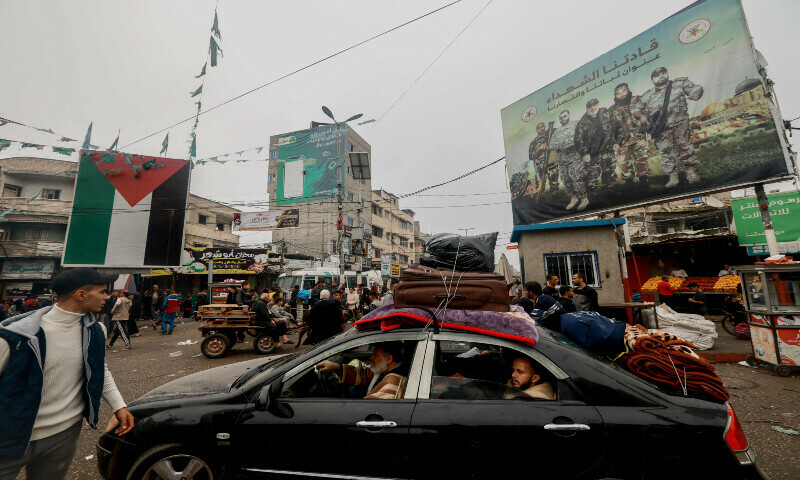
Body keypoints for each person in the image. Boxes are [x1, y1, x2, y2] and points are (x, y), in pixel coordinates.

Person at [0, 268, 133, 479]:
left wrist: (119, 405)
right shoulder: (16, 335)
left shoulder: (95, 330)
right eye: (102, 292)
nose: (108, 297)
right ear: (81, 295)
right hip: (10, 436)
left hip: (64, 434)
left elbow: (99, 369)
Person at [633, 67, 703, 188]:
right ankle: (673, 177)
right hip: (661, 128)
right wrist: (642, 117)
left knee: (685, 147)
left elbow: (696, 89)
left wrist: (696, 94)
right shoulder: (647, 95)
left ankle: (691, 173)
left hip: (680, 124)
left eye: (663, 73)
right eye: (657, 75)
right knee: (665, 151)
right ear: (652, 80)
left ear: (667, 74)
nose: (661, 76)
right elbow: (636, 111)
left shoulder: (680, 83)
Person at [315, 342, 408, 399]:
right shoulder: (384, 371)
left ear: (389, 359)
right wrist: (336, 367)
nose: (371, 357)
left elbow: (367, 408)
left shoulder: (393, 384)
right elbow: (365, 374)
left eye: (375, 355)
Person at [609, 82, 651, 185]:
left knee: (642, 161)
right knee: (624, 165)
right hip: (622, 142)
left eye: (624, 91)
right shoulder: (611, 110)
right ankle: (630, 187)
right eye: (618, 93)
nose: (622, 94)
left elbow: (648, 113)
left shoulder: (638, 100)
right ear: (615, 96)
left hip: (639, 138)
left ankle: (644, 185)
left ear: (628, 90)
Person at [574, 98, 617, 192]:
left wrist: (617, 142)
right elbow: (578, 140)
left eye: (595, 105)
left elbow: (617, 126)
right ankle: (594, 197)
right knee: (592, 178)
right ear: (587, 109)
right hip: (592, 154)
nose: (593, 108)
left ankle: (610, 191)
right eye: (590, 107)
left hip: (607, 150)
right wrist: (584, 153)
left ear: (598, 105)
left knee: (610, 173)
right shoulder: (582, 122)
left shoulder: (606, 113)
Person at [550, 110, 588, 211]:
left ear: (568, 116)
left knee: (577, 178)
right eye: (561, 117)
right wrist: (564, 143)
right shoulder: (557, 131)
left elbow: (580, 137)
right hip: (562, 161)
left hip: (575, 158)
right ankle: (573, 199)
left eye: (565, 116)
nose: (563, 119)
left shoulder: (575, 124)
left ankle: (584, 199)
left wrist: (567, 143)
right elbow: (551, 146)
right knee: (566, 180)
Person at [528, 122, 558, 200]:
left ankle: (556, 200)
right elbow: (531, 156)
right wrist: (539, 148)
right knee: (540, 185)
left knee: (554, 183)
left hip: (552, 165)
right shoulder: (534, 143)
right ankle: (539, 201)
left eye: (542, 126)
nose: (540, 128)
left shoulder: (550, 136)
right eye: (538, 128)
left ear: (544, 127)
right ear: (536, 130)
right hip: (540, 168)